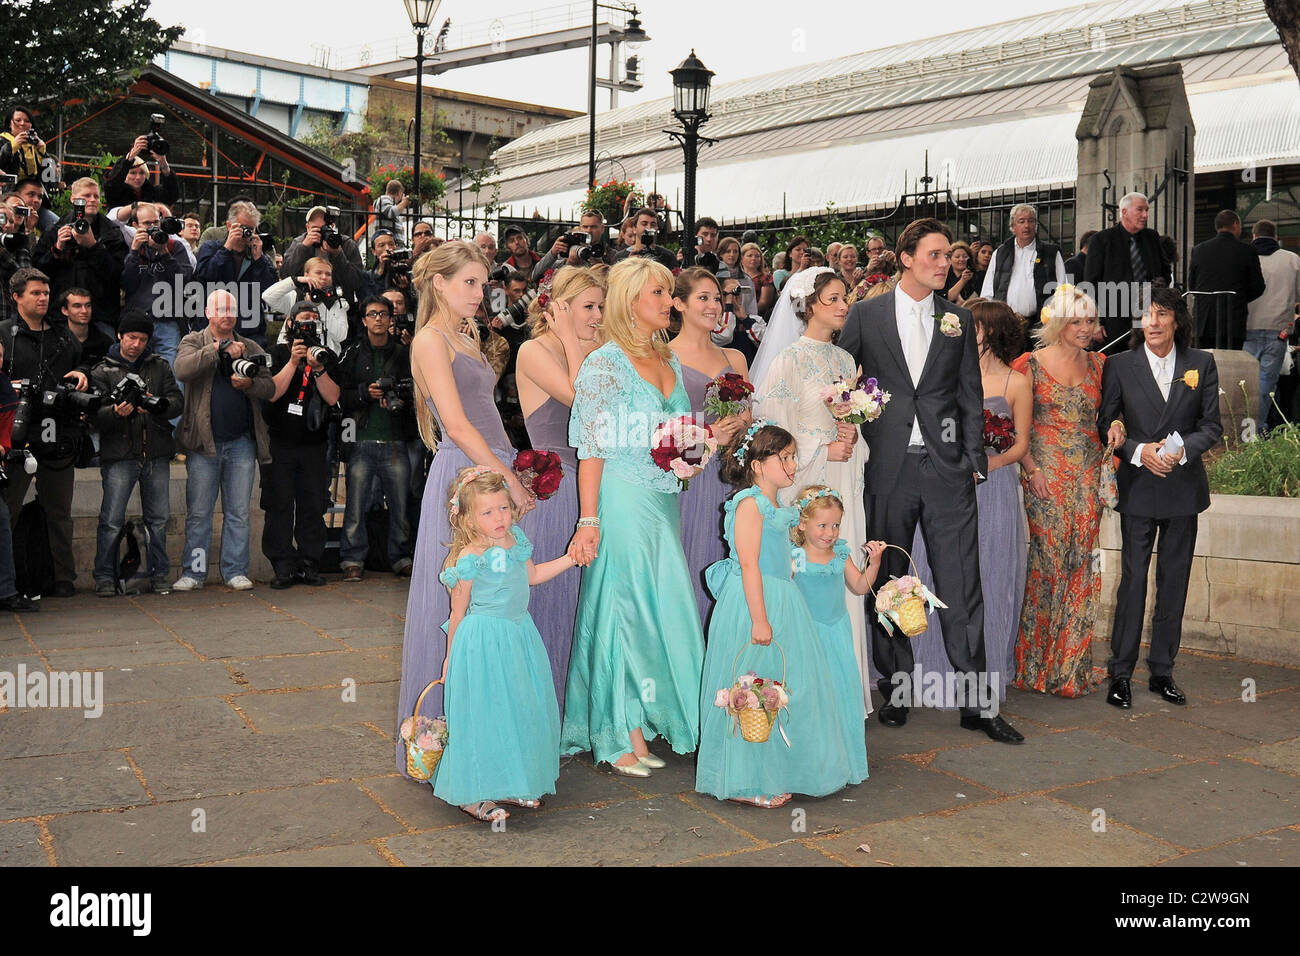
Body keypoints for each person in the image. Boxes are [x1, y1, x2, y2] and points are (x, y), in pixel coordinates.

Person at [838, 218, 1022, 742]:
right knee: (890, 581)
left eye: (948, 256)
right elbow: (840, 379)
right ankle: (895, 691)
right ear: (906, 257)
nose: (946, 263)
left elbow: (967, 394)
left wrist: (973, 461)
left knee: (963, 585)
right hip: (888, 470)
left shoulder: (958, 320)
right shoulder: (866, 315)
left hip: (946, 473)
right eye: (936, 255)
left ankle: (978, 705)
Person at [394, 241, 537, 775]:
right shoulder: (432, 339)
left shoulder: (465, 336)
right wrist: (506, 479)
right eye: (469, 283)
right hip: (466, 473)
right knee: (461, 609)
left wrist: (513, 470)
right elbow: (455, 424)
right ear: (439, 283)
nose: (481, 293)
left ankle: (492, 744)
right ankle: (452, 752)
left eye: (484, 283)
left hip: (489, 470)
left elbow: (486, 414)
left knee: (497, 604)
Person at [562, 256, 706, 777]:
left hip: (663, 503)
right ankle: (616, 735)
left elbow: (683, 433)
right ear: (629, 302)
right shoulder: (605, 363)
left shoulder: (669, 361)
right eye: (658, 293)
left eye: (669, 293)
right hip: (620, 500)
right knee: (621, 611)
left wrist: (695, 452)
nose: (669, 302)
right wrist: (589, 520)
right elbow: (592, 451)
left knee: (657, 610)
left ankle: (640, 729)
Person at [694, 423, 868, 807]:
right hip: (756, 603)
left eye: (792, 457)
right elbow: (750, 565)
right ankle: (747, 780)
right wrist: (759, 618)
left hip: (783, 601)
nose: (792, 465)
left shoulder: (777, 508)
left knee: (782, 687)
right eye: (784, 457)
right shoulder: (749, 504)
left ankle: (782, 768)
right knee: (752, 687)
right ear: (757, 464)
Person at [1098, 287, 1223, 708]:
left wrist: (1177, 451)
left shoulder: (1201, 363)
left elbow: (1211, 426)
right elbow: (1107, 423)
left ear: (1176, 321)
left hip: (1183, 489)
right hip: (1138, 488)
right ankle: (1120, 673)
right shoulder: (1118, 365)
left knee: (1174, 582)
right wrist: (1137, 451)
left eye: (1160, 314)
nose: (1151, 322)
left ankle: (1163, 672)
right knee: (1133, 583)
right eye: (1145, 315)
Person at [755, 267, 872, 706]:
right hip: (805, 486)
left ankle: (840, 693)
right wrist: (822, 449)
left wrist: (852, 440)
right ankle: (802, 696)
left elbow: (851, 423)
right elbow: (773, 432)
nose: (844, 306)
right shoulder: (788, 360)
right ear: (808, 306)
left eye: (846, 298)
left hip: (841, 481)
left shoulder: (845, 362)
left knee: (840, 577)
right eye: (835, 299)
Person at [433, 467, 576, 822]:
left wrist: (571, 559)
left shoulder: (515, 539)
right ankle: (471, 793)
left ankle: (512, 780)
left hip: (518, 636)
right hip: (481, 641)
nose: (499, 517)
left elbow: (532, 576)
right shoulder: (470, 558)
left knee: (517, 708)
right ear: (467, 518)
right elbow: (458, 611)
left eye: (503, 508)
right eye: (487, 512)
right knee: (483, 713)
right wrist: (451, 656)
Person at [1010, 285, 1108, 697]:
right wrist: (1030, 467)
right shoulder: (1029, 365)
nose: (1086, 329)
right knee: (1048, 563)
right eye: (1077, 322)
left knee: (1082, 563)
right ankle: (1035, 664)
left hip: (1087, 476)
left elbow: (1111, 416)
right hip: (1043, 475)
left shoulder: (1102, 364)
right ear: (1059, 324)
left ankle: (1070, 668)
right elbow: (1018, 426)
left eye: (1090, 321)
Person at [516, 267, 604, 713]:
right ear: (560, 307)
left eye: (601, 307)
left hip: (600, 487)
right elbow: (583, 398)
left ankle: (577, 709)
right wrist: (572, 341)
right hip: (558, 490)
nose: (597, 316)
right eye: (588, 307)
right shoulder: (534, 350)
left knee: (588, 605)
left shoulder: (596, 348)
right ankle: (541, 708)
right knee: (553, 598)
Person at [172, 289, 276, 591]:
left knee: (239, 512)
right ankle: (195, 572)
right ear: (208, 312)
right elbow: (182, 369)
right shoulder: (192, 340)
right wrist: (216, 351)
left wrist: (250, 383)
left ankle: (235, 571)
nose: (227, 315)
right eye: (220, 309)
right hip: (203, 443)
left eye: (231, 309)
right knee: (199, 513)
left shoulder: (251, 345)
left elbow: (269, 388)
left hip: (241, 443)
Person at [670, 267, 752, 625]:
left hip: (732, 476)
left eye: (717, 298)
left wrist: (740, 424)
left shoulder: (735, 358)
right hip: (686, 477)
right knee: (688, 561)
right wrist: (707, 436)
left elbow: (750, 416)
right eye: (703, 297)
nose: (713, 305)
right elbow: (659, 430)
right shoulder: (663, 358)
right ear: (679, 304)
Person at [1, 268, 88, 598]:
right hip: (15, 436)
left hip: (57, 433)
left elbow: (84, 365)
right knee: (7, 511)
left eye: (46, 293)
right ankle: (8, 583)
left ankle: (63, 578)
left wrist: (82, 373)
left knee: (59, 513)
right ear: (16, 297)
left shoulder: (64, 336)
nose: (43, 298)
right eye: (35, 293)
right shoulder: (3, 334)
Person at [89, 312, 183, 596]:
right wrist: (116, 412)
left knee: (159, 520)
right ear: (119, 336)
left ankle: (160, 575)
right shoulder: (102, 370)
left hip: (155, 452)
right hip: (119, 454)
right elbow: (93, 415)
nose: (136, 344)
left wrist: (159, 405)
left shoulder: (159, 366)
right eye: (131, 338)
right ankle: (104, 577)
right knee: (111, 520)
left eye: (142, 339)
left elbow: (177, 402)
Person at [260, 301, 341, 590]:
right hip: (281, 443)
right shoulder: (277, 353)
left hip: (314, 445)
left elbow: (333, 398)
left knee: (312, 506)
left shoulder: (325, 355)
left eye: (314, 320)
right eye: (304, 320)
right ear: (291, 323)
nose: (309, 324)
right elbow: (271, 394)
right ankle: (283, 566)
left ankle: (310, 563)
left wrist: (317, 369)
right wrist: (294, 362)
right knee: (279, 505)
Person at [791, 486, 886, 730]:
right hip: (805, 634)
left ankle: (834, 737)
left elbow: (860, 586)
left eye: (835, 525)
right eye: (822, 525)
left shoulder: (841, 554)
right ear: (802, 524)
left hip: (836, 633)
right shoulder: (795, 557)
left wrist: (873, 563)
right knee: (808, 687)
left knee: (836, 687)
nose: (830, 533)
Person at [336, 296, 416, 581]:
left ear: (391, 318)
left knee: (400, 506)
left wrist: (401, 400)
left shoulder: (405, 353)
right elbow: (338, 396)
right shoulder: (352, 352)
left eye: (384, 313)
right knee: (355, 505)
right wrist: (363, 394)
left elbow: (416, 391)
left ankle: (401, 556)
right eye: (373, 314)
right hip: (361, 439)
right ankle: (352, 560)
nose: (379, 319)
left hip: (396, 439)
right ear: (364, 320)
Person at [32, 178, 129, 334]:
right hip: (59, 315)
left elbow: (117, 274)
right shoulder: (55, 229)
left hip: (100, 316)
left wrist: (93, 246)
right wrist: (57, 249)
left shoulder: (111, 232)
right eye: (86, 196)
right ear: (73, 199)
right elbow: (37, 271)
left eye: (96, 196)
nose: (92, 200)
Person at [1084, 192, 1171, 348]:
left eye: (1147, 210)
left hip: (1148, 315)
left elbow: (1165, 271)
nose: (1145, 215)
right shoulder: (1102, 240)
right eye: (1140, 210)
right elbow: (1091, 284)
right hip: (1114, 320)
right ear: (1124, 211)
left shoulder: (1152, 237)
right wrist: (1095, 321)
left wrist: (1160, 286)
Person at [193, 201, 277, 345]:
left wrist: (259, 260)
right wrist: (227, 249)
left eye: (250, 228)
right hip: (212, 328)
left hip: (249, 331)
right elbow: (206, 275)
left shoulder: (258, 256)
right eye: (242, 227)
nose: (246, 233)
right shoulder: (211, 248)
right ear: (229, 225)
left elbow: (271, 291)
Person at [121, 202, 193, 370]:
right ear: (135, 226)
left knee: (172, 373)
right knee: (133, 373)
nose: (153, 227)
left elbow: (183, 281)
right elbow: (126, 283)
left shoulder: (175, 246)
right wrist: (134, 251)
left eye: (155, 223)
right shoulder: (131, 246)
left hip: (167, 321)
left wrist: (164, 253)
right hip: (137, 321)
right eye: (147, 224)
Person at [1245, 219, 1300, 432]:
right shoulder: (1292, 260)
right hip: (1280, 330)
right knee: (1266, 384)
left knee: (1245, 384)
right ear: (1276, 237)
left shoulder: (1245, 256)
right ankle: (1258, 431)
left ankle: (1244, 432)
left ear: (1254, 236)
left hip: (1247, 328)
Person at [980, 204, 1067, 335]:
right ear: (1013, 227)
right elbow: (988, 292)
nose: (1027, 225)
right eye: (1022, 221)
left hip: (1041, 326)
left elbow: (1063, 290)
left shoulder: (1051, 253)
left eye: (1031, 221)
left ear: (1036, 225)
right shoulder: (1000, 253)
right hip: (1005, 325)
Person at [1187, 210, 1266, 350]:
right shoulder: (1247, 251)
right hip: (1233, 321)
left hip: (1204, 319)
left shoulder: (1198, 250)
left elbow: (1192, 285)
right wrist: (1238, 297)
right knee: (1232, 366)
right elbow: (1258, 286)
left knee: (1204, 364)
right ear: (1235, 224)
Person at [0, 339, 36, 611]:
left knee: (2, 520)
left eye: (0, 356)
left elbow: (9, 430)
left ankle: (6, 591)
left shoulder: (3, 386)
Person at [278, 206, 367, 305]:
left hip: (340, 305)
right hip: (307, 304)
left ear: (332, 226)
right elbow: (286, 275)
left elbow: (356, 282)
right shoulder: (299, 243)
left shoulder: (346, 244)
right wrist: (303, 247)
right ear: (308, 227)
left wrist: (338, 254)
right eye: (316, 229)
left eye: (324, 229)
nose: (321, 233)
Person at [262, 256, 351, 351]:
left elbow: (341, 336)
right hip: (293, 353)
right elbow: (267, 296)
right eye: (318, 273)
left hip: (324, 357)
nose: (324, 277)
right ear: (306, 275)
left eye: (328, 274)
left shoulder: (338, 303)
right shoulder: (295, 296)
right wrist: (295, 281)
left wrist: (320, 305)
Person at [104, 134, 179, 211]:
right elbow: (111, 184)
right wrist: (130, 157)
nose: (138, 177)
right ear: (124, 174)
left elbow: (171, 195)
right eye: (133, 173)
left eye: (142, 173)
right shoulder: (116, 193)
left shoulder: (152, 192)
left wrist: (163, 163)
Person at [60, 288, 114, 373]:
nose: (84, 311)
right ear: (65, 311)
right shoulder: (54, 339)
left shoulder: (104, 342)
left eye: (88, 305)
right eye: (77, 306)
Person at [610, 208, 678, 271]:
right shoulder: (620, 257)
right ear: (634, 228)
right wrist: (628, 265)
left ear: (657, 228)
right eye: (644, 224)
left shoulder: (668, 256)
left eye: (653, 224)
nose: (648, 227)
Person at [0, 108, 46, 180]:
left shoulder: (34, 142)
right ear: (9, 124)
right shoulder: (2, 140)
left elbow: (47, 174)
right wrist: (12, 146)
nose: (22, 123)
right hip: (9, 189)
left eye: (27, 121)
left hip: (32, 187)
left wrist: (42, 151)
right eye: (18, 120)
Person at [740, 241, 776, 318]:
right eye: (750, 256)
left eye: (757, 256)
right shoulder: (736, 277)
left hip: (758, 317)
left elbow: (764, 303)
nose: (754, 258)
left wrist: (746, 314)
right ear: (741, 258)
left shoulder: (766, 278)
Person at [945, 240, 976, 305]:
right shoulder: (944, 275)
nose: (961, 259)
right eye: (957, 257)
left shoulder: (975, 275)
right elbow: (949, 297)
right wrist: (963, 281)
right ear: (950, 259)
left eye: (965, 257)